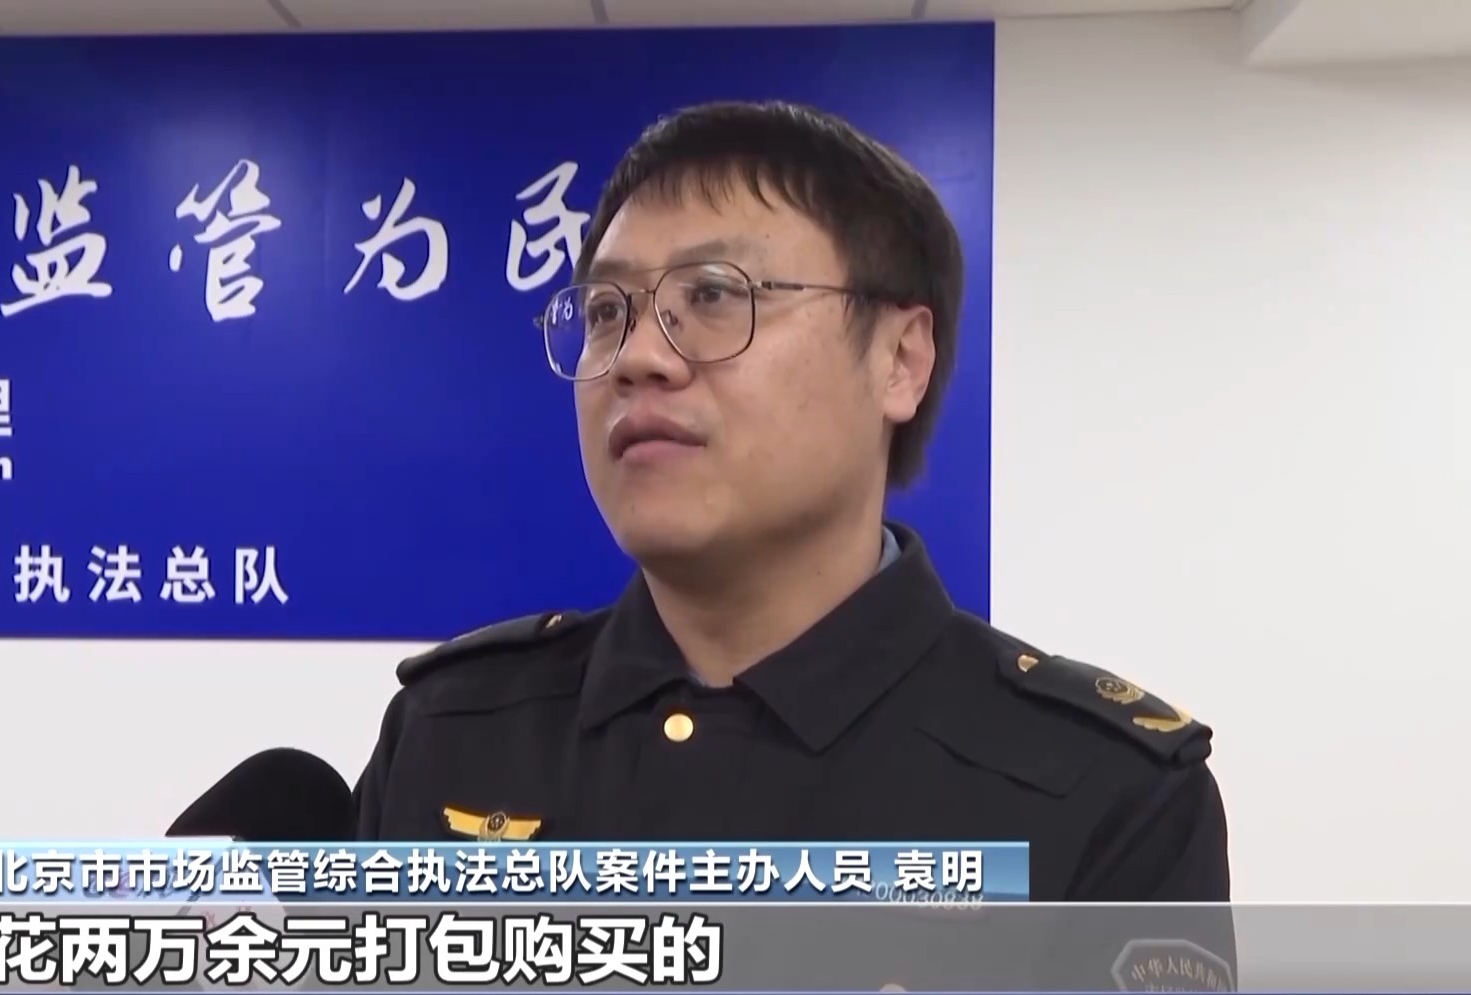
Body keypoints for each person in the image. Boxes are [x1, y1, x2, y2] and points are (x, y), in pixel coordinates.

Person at [352, 102, 1230, 913]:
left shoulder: (1103, 793)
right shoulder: (451, 734)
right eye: (609, 311)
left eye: (713, 295)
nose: (638, 357)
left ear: (900, 360)